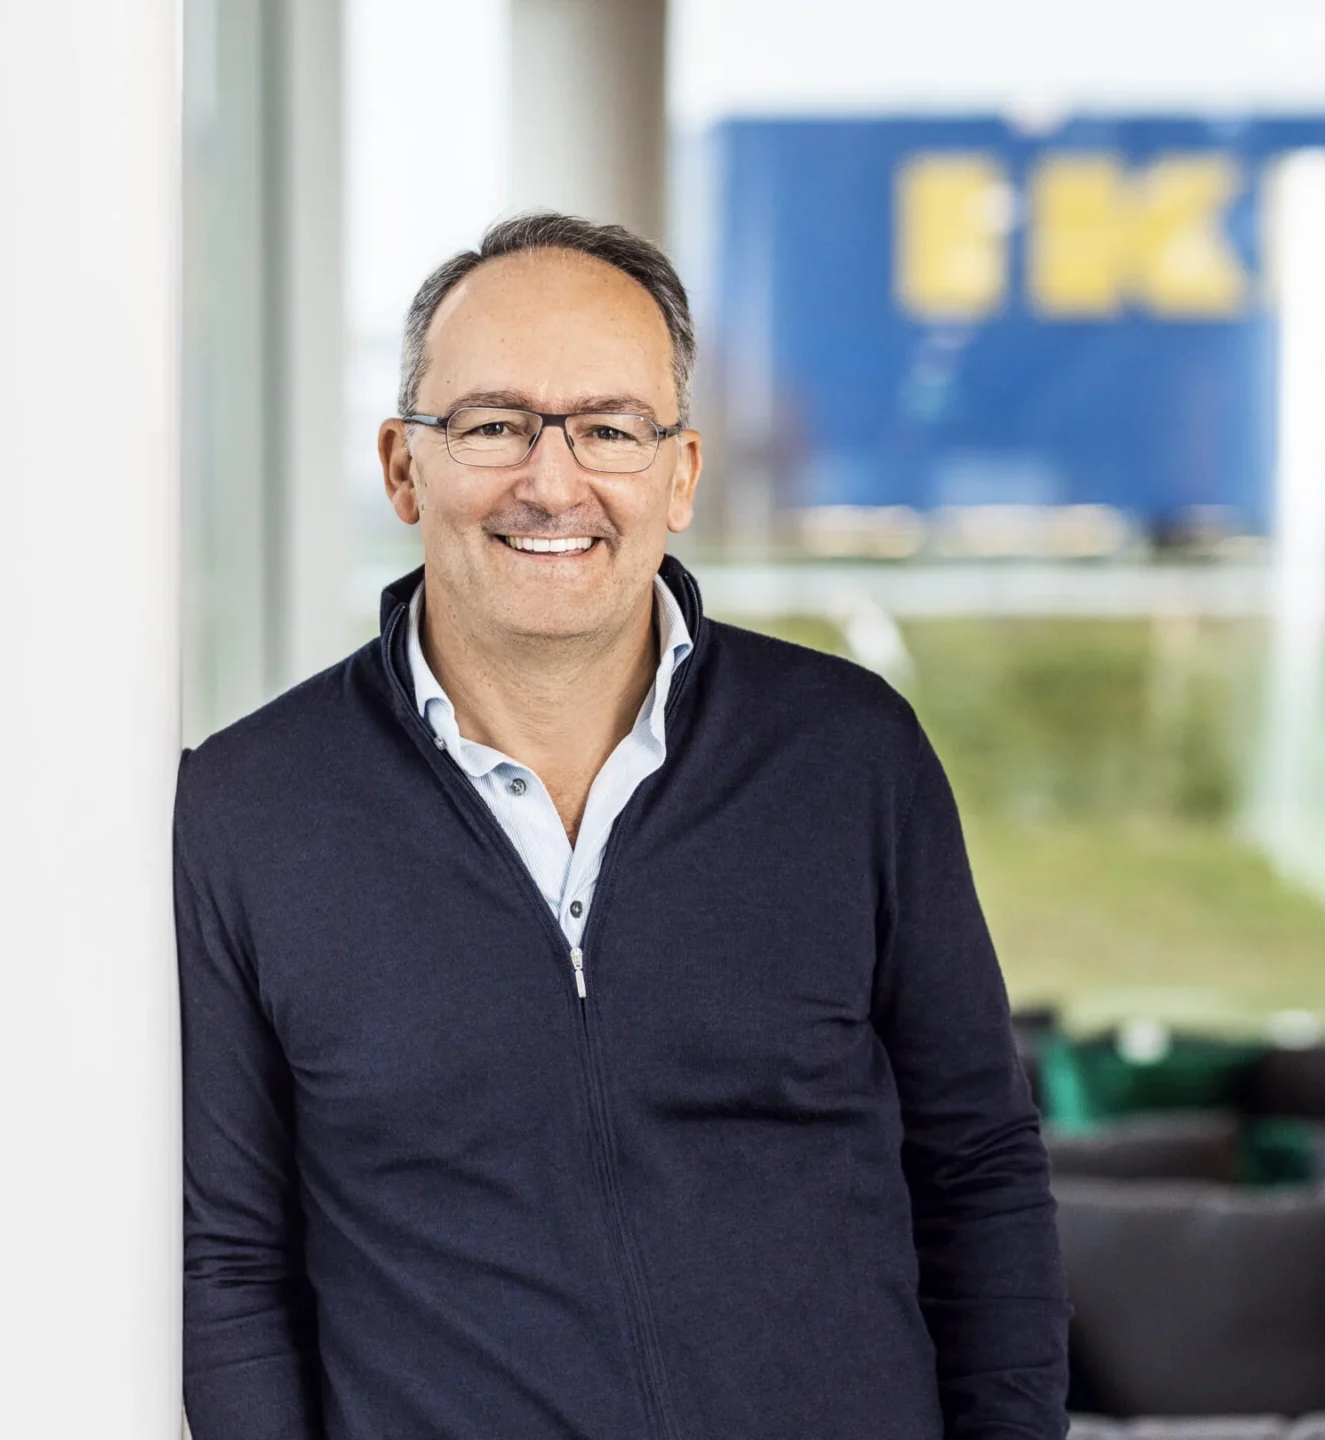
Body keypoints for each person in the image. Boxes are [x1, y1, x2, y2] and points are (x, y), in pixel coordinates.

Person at [176, 212, 1070, 1439]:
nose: (552, 483)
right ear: (402, 465)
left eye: (608, 429)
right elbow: (230, 1260)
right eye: (492, 425)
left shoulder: (849, 758)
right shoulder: (249, 812)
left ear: (680, 474)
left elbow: (979, 1166)